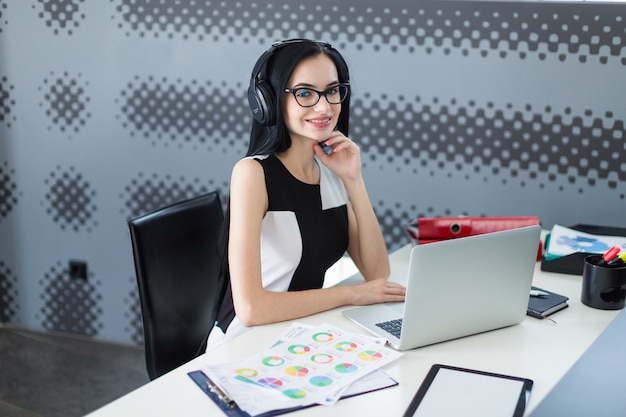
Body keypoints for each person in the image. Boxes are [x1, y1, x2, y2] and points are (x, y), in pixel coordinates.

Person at [206, 39, 406, 351]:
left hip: (300, 334)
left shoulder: (328, 168)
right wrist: (350, 295)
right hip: (246, 342)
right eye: (304, 93)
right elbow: (250, 309)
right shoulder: (253, 173)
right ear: (268, 101)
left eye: (332, 90)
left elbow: (376, 273)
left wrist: (354, 180)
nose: (324, 106)